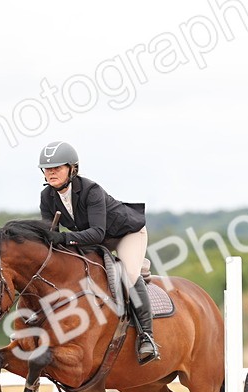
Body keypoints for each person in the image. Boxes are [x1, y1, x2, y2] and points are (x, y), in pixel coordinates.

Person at [37, 140, 159, 364]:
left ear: (72, 169)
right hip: (93, 239)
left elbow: (96, 233)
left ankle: (147, 337)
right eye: (47, 168)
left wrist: (63, 238)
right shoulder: (47, 197)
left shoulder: (90, 190)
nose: (51, 172)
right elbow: (50, 235)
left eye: (57, 167)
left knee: (129, 274)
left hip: (125, 234)